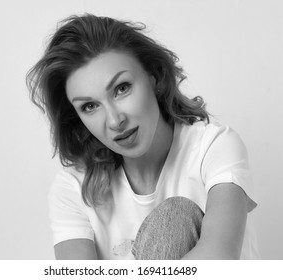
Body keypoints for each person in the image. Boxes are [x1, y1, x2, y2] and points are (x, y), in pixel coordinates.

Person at [26, 14, 260, 260]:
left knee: (175, 218)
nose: (115, 121)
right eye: (90, 107)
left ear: (154, 77)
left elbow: (218, 260)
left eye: (122, 88)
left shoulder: (213, 147)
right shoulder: (73, 188)